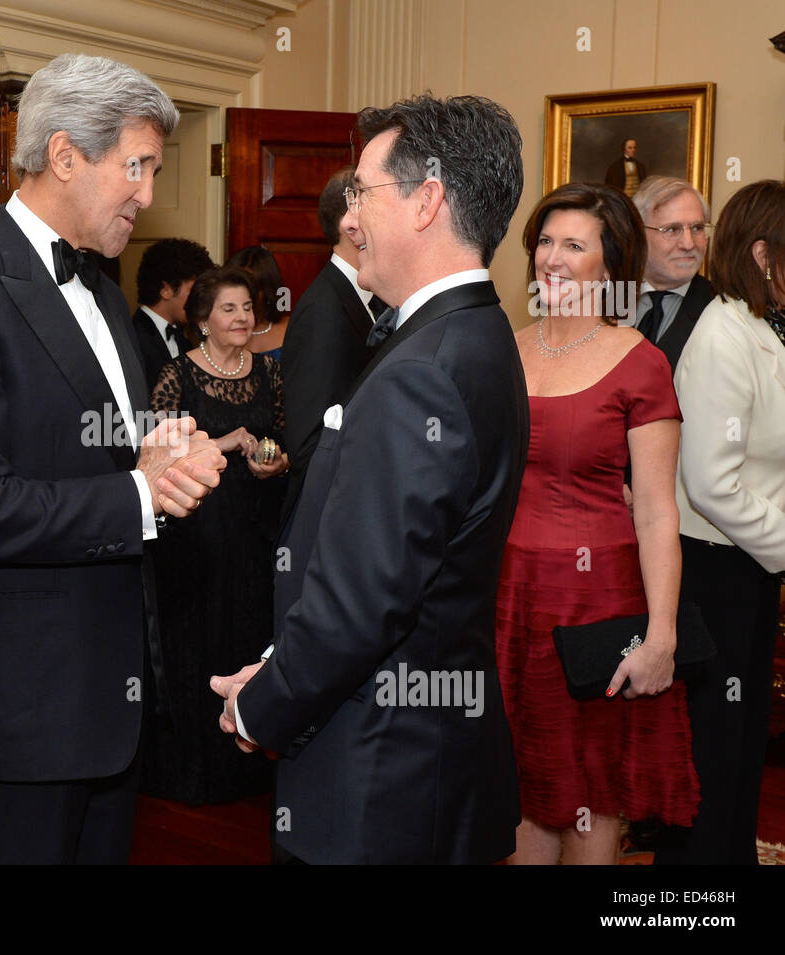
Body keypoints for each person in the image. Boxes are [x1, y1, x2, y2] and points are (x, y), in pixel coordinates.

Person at [0, 53, 225, 865]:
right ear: (67, 155)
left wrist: (159, 451)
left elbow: (99, 453)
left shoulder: (106, 291)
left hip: (111, 699)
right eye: (138, 166)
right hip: (22, 708)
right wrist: (140, 494)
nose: (149, 193)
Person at [211, 94, 530, 864]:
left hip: (382, 775)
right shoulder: (477, 334)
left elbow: (364, 605)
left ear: (427, 202)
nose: (348, 218)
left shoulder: (424, 370)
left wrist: (262, 705)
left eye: (361, 191)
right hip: (428, 755)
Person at [497, 182, 699, 865]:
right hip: (507, 602)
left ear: (610, 266)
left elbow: (656, 508)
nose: (552, 258)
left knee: (590, 790)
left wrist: (662, 635)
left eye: (573, 245)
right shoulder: (504, 347)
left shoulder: (640, 363)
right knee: (520, 783)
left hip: (595, 606)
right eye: (545, 242)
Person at [656, 179, 785, 865]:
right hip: (717, 570)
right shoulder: (723, 337)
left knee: (739, 743)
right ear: (764, 255)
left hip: (747, 562)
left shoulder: (758, 326)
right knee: (713, 746)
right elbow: (710, 482)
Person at [140, 267, 288, 804]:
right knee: (198, 640)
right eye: (229, 309)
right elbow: (158, 456)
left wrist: (276, 459)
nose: (242, 317)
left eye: (247, 307)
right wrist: (226, 442)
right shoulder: (177, 373)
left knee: (249, 633)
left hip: (253, 527)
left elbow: (282, 438)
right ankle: (193, 771)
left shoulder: (269, 372)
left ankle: (245, 763)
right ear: (202, 320)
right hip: (195, 530)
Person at [280, 165, 384, 527]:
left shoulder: (374, 299)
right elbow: (309, 446)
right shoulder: (322, 311)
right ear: (350, 227)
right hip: (328, 520)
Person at [629, 176, 715, 373]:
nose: (688, 244)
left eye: (697, 228)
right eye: (672, 229)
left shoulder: (719, 307)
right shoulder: (604, 298)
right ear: (638, 234)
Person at [130, 237, 214, 392]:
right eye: (193, 291)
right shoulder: (132, 338)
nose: (200, 300)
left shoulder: (185, 340)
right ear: (166, 290)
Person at [227, 245, 288, 360]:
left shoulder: (291, 330)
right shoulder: (219, 329)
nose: (243, 296)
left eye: (252, 288)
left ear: (268, 289)